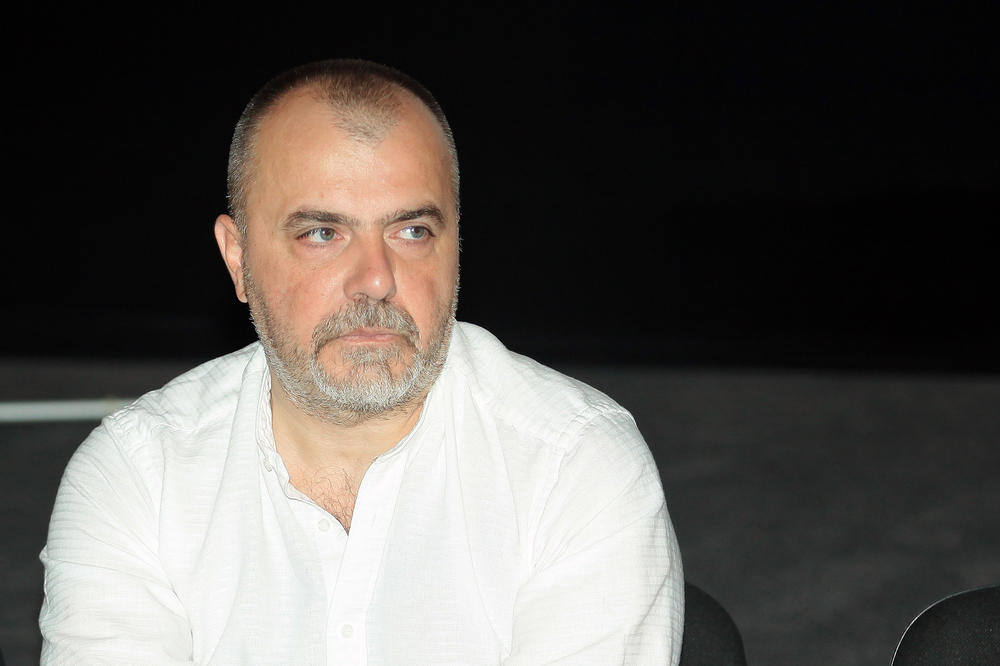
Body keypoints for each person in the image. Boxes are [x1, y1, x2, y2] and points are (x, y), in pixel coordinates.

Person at [39, 59, 684, 664]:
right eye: (322, 234)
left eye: (412, 232)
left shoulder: (574, 465)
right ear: (238, 259)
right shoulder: (137, 480)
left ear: (457, 244)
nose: (375, 279)